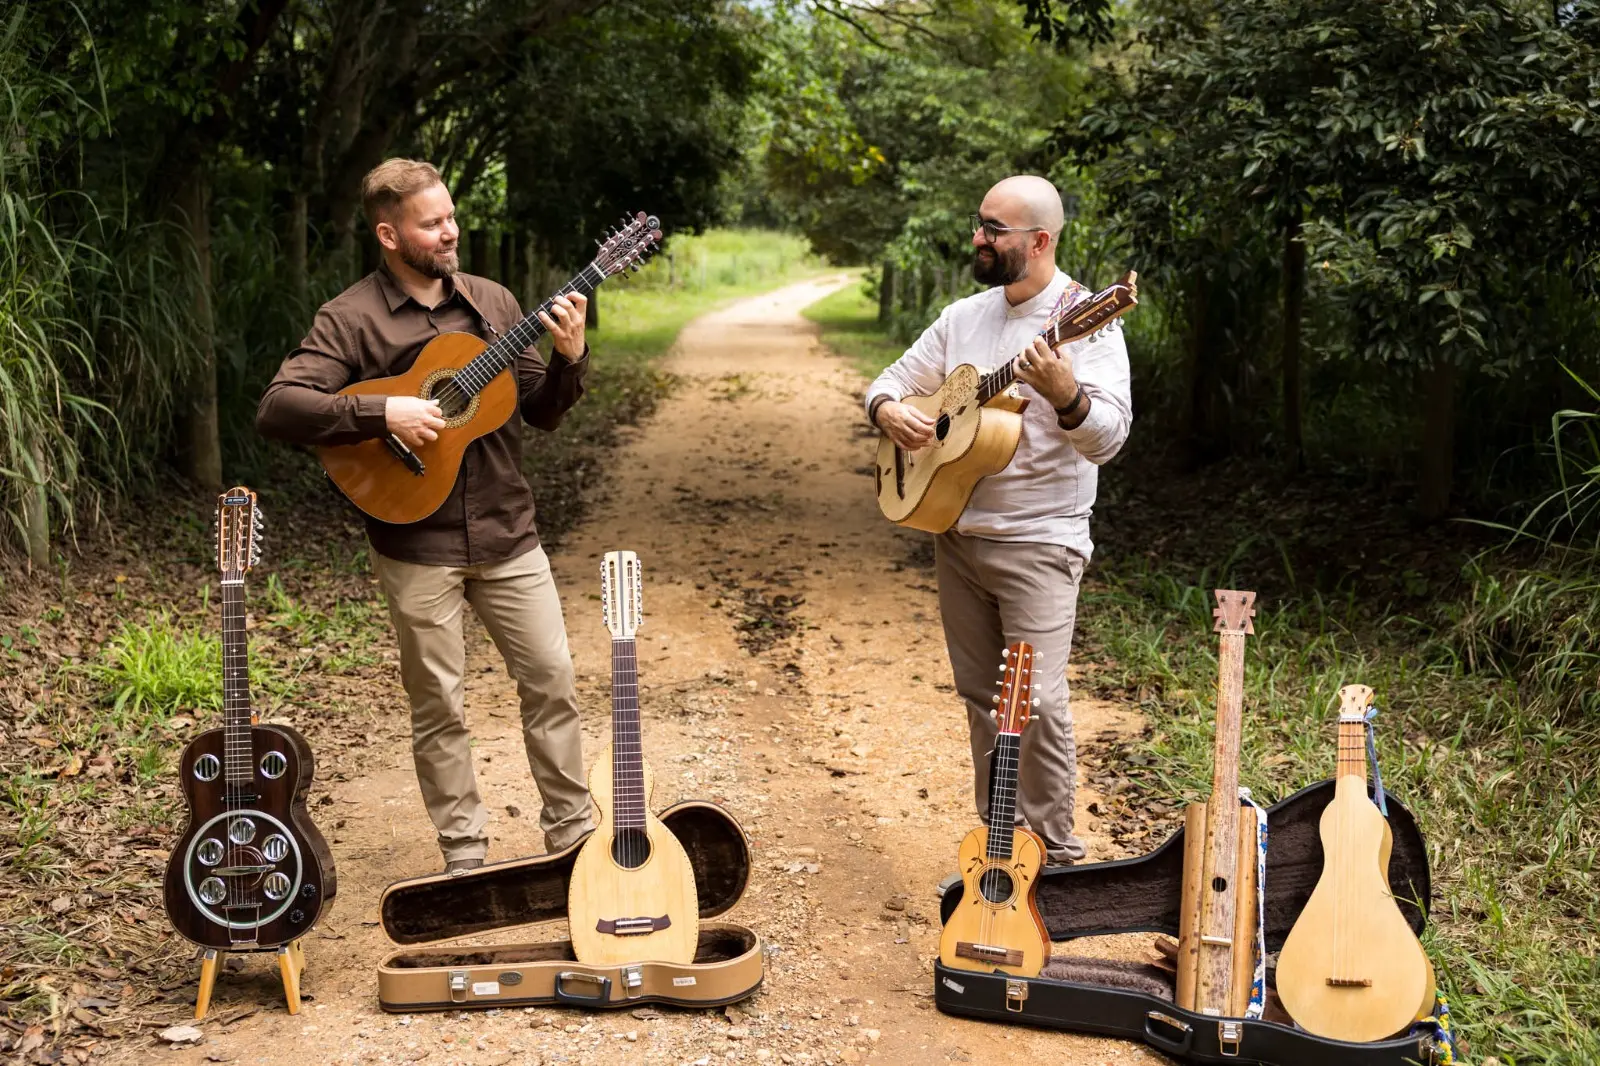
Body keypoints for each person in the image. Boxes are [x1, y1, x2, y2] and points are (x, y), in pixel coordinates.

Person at [257, 158, 594, 874]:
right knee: (440, 705)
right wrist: (383, 412)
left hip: (508, 530)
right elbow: (279, 408)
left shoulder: (494, 303)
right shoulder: (350, 319)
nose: (450, 232)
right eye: (432, 223)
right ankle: (464, 858)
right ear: (389, 233)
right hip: (415, 538)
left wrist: (569, 360)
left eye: (451, 217)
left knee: (553, 681)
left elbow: (538, 409)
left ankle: (574, 841)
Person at [865, 175, 1133, 865]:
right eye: (979, 222)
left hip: (1041, 542)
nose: (978, 237)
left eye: (994, 229)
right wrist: (888, 411)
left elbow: (1108, 439)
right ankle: (999, 841)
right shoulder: (964, 317)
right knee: (982, 698)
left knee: (1035, 704)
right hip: (957, 533)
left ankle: (1056, 853)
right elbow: (888, 381)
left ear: (1040, 241)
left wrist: (1065, 392)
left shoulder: (1085, 320)